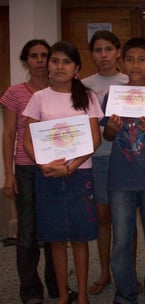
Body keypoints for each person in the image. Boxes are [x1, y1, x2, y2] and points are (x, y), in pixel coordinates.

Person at [23, 41, 103, 304]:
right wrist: (44, 165)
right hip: (47, 176)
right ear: (48, 66)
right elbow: (27, 140)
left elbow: (94, 140)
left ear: (76, 68)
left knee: (80, 237)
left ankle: (81, 294)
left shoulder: (87, 96)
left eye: (66, 62)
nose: (59, 66)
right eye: (55, 61)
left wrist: (70, 167)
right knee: (55, 239)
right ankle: (61, 295)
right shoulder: (39, 97)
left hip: (79, 175)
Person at [101, 37, 145, 304]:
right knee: (121, 242)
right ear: (123, 63)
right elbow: (107, 135)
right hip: (120, 179)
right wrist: (111, 129)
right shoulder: (113, 95)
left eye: (141, 59)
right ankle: (126, 294)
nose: (135, 64)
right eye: (130, 59)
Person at [0, 39, 60, 304]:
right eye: (33, 56)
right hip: (26, 169)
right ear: (25, 61)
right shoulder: (14, 93)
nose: (39, 60)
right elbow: (10, 133)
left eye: (44, 55)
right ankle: (30, 290)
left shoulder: (61, 89)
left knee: (56, 232)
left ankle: (57, 287)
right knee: (28, 233)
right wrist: (9, 174)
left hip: (57, 169)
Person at [81, 30, 130, 295]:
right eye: (98, 50)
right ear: (92, 54)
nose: (103, 55)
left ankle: (129, 274)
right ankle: (105, 273)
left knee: (126, 219)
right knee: (103, 217)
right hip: (97, 157)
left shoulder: (128, 80)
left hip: (126, 156)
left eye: (108, 49)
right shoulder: (84, 85)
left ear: (118, 51)